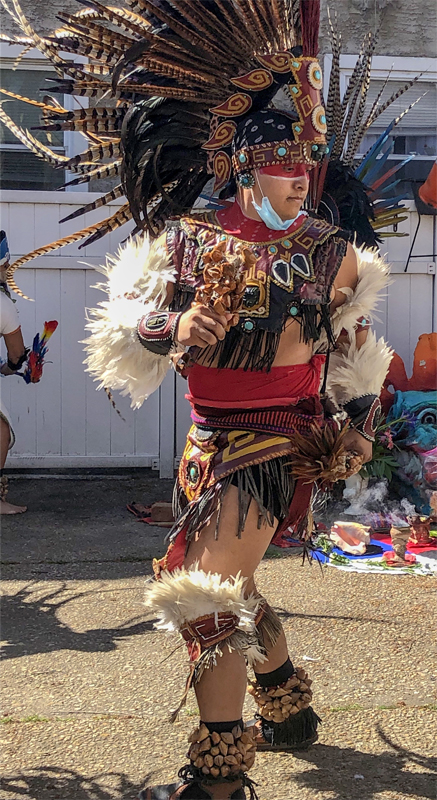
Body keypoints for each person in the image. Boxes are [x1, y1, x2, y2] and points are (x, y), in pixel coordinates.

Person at [1, 2, 412, 797]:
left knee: (202, 590)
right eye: (284, 165)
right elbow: (128, 326)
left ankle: (219, 771)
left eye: (307, 165)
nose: (300, 179)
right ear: (246, 162)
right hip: (205, 440)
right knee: (239, 587)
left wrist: (358, 428)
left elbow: (358, 355)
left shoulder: (333, 253)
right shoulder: (185, 240)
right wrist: (176, 321)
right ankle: (287, 701)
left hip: (271, 446)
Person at [0, 231, 27, 514]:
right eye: (5, 264)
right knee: (0, 430)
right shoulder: (3, 305)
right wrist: (15, 368)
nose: (8, 270)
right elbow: (16, 354)